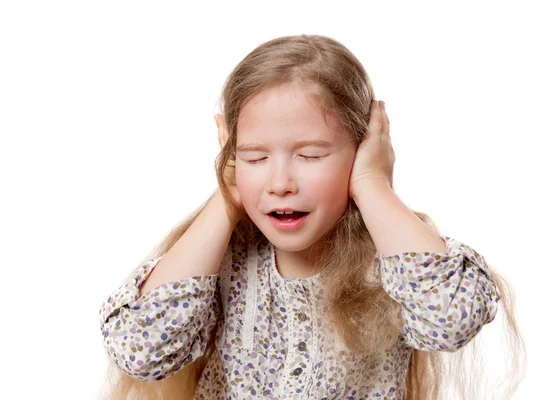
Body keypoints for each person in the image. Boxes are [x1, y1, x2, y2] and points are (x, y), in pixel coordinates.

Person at [98, 34, 526, 399]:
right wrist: (228, 193)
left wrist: (373, 185)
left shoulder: (395, 257)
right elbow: (139, 348)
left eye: (310, 155)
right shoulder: (224, 254)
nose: (280, 182)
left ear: (362, 151)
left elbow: (452, 319)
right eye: (255, 156)